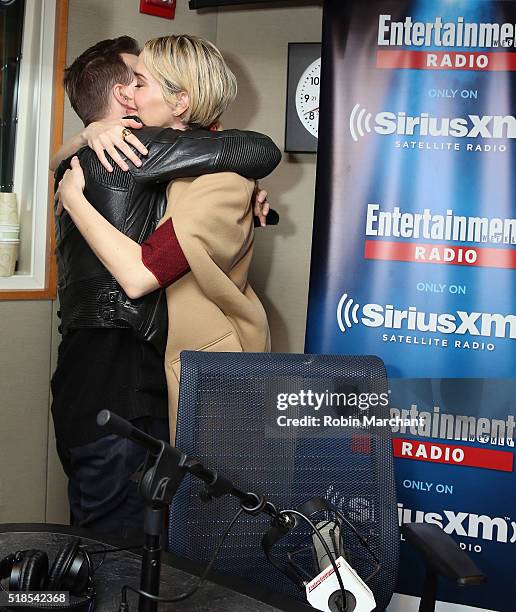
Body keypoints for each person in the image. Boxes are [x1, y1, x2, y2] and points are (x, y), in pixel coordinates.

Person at [52, 35, 281, 538]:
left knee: (133, 546)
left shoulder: (185, 171)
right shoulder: (133, 154)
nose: (134, 94)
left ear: (180, 100)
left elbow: (143, 270)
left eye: (143, 82)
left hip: (164, 385)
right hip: (126, 389)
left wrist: (76, 186)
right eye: (130, 83)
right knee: (128, 550)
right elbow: (256, 149)